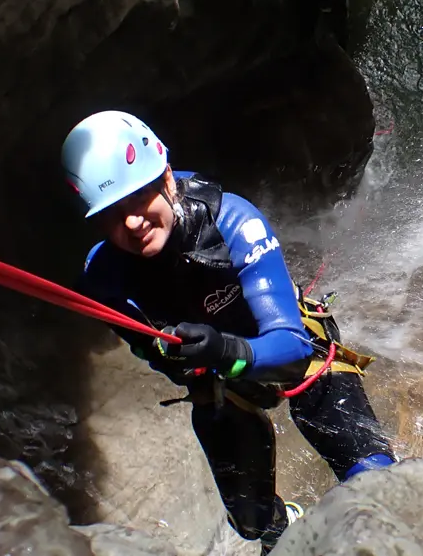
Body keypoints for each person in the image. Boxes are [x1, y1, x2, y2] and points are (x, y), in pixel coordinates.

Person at [60, 110, 397, 553]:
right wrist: (167, 353)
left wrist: (222, 349)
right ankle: (292, 531)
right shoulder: (102, 276)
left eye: (138, 199)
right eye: (112, 215)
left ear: (165, 179)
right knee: (252, 524)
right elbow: (149, 352)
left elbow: (291, 345)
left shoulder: (233, 223)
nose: (132, 223)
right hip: (219, 378)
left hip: (289, 357)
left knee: (377, 482)